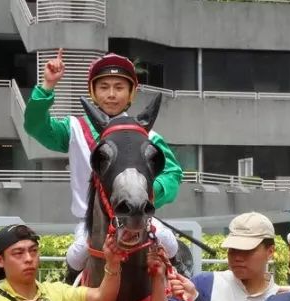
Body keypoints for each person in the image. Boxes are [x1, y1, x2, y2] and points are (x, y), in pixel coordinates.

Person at [24, 50, 183, 277]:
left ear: (131, 94)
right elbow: (35, 127)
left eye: (119, 87)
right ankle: (70, 298)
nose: (111, 94)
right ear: (93, 93)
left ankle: (183, 294)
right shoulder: (74, 128)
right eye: (104, 87)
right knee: (76, 256)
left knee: (170, 244)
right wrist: (47, 85)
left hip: (137, 215)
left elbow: (173, 175)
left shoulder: (149, 136)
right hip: (92, 223)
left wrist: (143, 193)